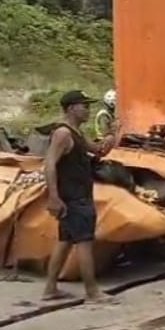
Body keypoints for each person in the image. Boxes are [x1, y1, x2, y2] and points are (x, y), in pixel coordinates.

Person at [41, 90, 121, 303]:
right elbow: (49, 164)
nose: (88, 110)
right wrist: (53, 197)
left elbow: (98, 151)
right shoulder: (63, 134)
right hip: (75, 198)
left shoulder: (76, 132)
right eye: (84, 106)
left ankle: (50, 288)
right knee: (84, 243)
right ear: (71, 109)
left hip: (75, 196)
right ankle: (92, 292)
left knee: (65, 241)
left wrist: (112, 136)